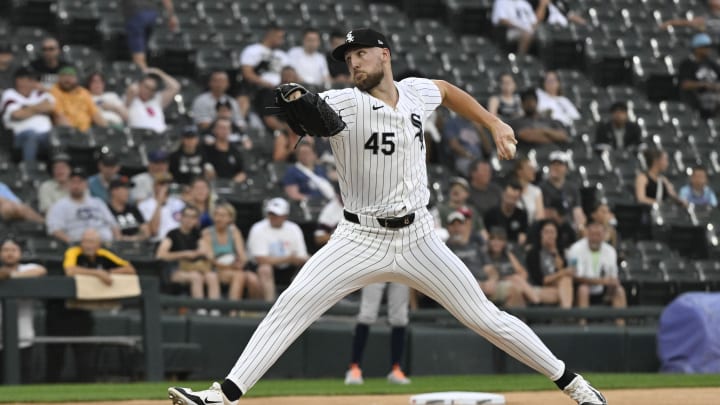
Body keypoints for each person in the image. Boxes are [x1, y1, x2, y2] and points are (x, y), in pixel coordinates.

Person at [168, 27, 607, 405]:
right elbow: (317, 114)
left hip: (419, 237)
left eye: (361, 53)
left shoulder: (415, 91)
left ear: (384, 54)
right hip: (358, 239)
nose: (354, 63)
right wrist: (302, 102)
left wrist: (493, 123)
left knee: (486, 317)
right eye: (348, 57)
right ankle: (220, 395)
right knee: (293, 304)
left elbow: (448, 91)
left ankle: (578, 387)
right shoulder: (345, 102)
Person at [47, 228, 136, 382]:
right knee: (56, 355)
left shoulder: (103, 254)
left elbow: (130, 269)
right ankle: (50, 388)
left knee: (85, 354)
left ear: (98, 244)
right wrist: (98, 273)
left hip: (82, 311)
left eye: (92, 242)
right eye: (85, 241)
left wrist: (110, 272)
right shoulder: (74, 252)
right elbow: (70, 270)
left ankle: (86, 387)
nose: (88, 245)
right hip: (60, 311)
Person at [344, 279, 412, 385]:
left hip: (400, 268)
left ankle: (396, 369)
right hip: (377, 265)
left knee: (400, 318)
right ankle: (354, 368)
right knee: (366, 315)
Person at [0, 238, 47, 383]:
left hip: (24, 336)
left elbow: (41, 270)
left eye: (13, 250)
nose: (9, 254)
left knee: (25, 377)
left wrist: (11, 276)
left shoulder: (27, 268)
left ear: (20, 253)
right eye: (6, 250)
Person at [246, 198, 309, 302]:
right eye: (271, 214)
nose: (273, 217)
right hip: (262, 269)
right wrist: (289, 258)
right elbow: (261, 260)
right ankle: (269, 305)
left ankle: (301, 305)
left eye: (276, 214)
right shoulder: (258, 228)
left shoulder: (294, 228)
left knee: (308, 266)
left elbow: (301, 255)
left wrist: (301, 259)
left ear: (285, 216)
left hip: (289, 269)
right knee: (265, 269)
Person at [156, 206, 220, 304]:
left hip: (196, 267)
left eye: (193, 217)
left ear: (196, 220)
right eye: (187, 216)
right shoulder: (172, 234)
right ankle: (199, 308)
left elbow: (208, 252)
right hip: (176, 269)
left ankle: (216, 308)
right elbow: (160, 255)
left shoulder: (197, 234)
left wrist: (204, 252)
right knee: (196, 277)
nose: (189, 220)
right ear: (181, 217)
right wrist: (184, 254)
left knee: (212, 276)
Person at [566, 221, 626, 325]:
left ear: (604, 235)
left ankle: (621, 328)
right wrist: (601, 281)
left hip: (604, 292)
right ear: (587, 233)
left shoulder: (610, 251)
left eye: (598, 234)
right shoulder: (575, 249)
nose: (595, 237)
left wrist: (613, 282)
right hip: (580, 291)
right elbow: (575, 277)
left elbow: (612, 276)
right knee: (583, 289)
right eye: (592, 234)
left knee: (619, 290)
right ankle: (582, 326)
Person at [201, 203, 260, 307]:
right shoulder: (207, 233)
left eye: (223, 216)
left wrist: (240, 263)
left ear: (230, 218)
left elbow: (242, 255)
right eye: (217, 215)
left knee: (253, 279)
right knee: (239, 275)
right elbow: (211, 259)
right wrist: (230, 267)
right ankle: (233, 310)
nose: (219, 218)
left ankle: (253, 310)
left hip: (233, 267)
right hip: (216, 269)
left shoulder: (234, 231)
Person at [46, 167, 120, 243]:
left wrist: (117, 242)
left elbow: (113, 224)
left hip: (106, 244)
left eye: (80, 182)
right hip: (79, 247)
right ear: (68, 184)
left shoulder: (98, 202)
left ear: (86, 184)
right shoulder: (59, 206)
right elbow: (54, 230)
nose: (76, 185)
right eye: (73, 182)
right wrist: (71, 242)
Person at [1, 67, 54, 162]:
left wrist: (27, 108)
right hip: (17, 136)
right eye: (30, 79)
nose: (34, 82)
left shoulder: (38, 93)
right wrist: (38, 108)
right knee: (31, 134)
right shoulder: (10, 94)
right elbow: (17, 115)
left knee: (58, 136)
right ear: (19, 81)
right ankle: (29, 168)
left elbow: (49, 107)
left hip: (46, 135)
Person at [481, 227, 541, 308]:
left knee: (517, 280)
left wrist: (508, 253)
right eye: (493, 239)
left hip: (516, 283)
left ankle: (535, 305)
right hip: (497, 284)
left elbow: (523, 273)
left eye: (500, 239)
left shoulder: (508, 255)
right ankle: (536, 305)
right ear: (489, 241)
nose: (496, 242)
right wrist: (510, 278)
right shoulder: (485, 255)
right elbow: (488, 275)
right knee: (515, 280)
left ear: (504, 242)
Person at [526, 220, 574, 309]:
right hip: (537, 289)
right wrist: (563, 272)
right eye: (546, 232)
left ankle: (565, 312)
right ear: (541, 234)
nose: (549, 235)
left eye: (552, 232)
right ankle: (567, 314)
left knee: (566, 280)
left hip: (557, 288)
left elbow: (562, 275)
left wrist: (556, 255)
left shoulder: (560, 252)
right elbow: (541, 280)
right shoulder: (533, 253)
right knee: (563, 291)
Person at [121, 0, 177, 69]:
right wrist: (172, 16)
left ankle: (144, 76)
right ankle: (148, 72)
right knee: (145, 49)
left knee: (138, 54)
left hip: (136, 14)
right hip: (152, 14)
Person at [51, 65, 108, 132]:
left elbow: (95, 114)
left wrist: (107, 130)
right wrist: (74, 134)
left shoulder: (84, 92)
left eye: (71, 76)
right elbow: (59, 116)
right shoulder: (54, 91)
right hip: (67, 133)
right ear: (59, 78)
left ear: (76, 79)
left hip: (88, 132)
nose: (67, 79)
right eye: (64, 75)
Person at [540, 151, 586, 230]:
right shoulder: (541, 188)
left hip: (569, 227)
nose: (556, 167)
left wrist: (580, 226)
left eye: (560, 164)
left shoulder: (572, 188)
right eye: (553, 164)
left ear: (567, 168)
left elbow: (577, 211)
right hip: (547, 226)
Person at [125, 67, 180, 133]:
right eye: (146, 87)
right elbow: (132, 89)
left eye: (152, 89)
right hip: (139, 136)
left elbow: (175, 87)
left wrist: (159, 73)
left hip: (160, 136)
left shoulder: (157, 100)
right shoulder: (132, 99)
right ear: (139, 85)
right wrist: (144, 74)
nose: (148, 91)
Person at [678, 33, 720, 119]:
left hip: (714, 101)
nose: (708, 49)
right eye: (705, 47)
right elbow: (684, 84)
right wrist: (704, 85)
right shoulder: (688, 64)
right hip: (695, 100)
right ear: (696, 48)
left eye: (709, 47)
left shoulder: (712, 64)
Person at [240, 24, 288, 94]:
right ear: (271, 35)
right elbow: (247, 74)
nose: (282, 40)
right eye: (280, 37)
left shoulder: (282, 55)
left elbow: (291, 74)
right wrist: (266, 84)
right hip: (260, 89)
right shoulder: (252, 50)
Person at [138, 172, 185, 240]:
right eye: (162, 184)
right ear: (154, 186)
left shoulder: (179, 203)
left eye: (168, 183)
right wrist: (159, 203)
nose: (166, 187)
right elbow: (153, 231)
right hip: (159, 242)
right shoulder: (144, 205)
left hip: (180, 241)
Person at [484, 181, 529, 246]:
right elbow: (486, 234)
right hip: (495, 246)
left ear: (519, 198)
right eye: (508, 197)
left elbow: (523, 235)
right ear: (503, 194)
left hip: (514, 246)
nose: (510, 201)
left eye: (514, 198)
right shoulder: (491, 213)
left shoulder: (522, 214)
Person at [204, 118, 247, 183]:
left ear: (231, 130)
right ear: (214, 130)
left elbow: (241, 171)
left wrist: (234, 182)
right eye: (221, 128)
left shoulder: (236, 150)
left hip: (232, 186)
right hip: (212, 185)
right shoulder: (206, 150)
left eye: (227, 128)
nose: (224, 131)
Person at [512, 156, 545, 224]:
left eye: (533, 168)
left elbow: (540, 216)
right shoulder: (510, 190)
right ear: (519, 172)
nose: (533, 171)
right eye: (529, 168)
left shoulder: (536, 191)